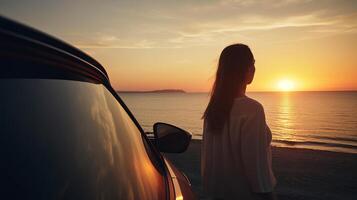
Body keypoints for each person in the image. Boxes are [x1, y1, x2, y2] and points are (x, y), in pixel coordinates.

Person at [201, 44, 277, 200]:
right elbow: (257, 171)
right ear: (244, 69)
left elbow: (207, 164)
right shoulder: (252, 110)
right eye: (252, 64)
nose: (254, 69)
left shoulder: (212, 110)